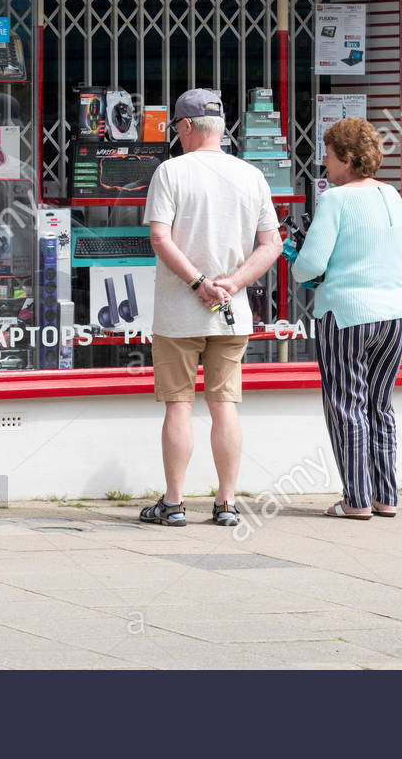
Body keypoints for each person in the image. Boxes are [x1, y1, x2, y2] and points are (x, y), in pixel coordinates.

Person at [139, 89, 283, 527]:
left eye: (176, 130)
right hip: (231, 311)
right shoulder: (251, 175)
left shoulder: (170, 172)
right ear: (220, 129)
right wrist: (232, 284)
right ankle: (226, 503)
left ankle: (175, 503)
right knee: (225, 405)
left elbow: (161, 238)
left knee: (178, 405)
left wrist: (199, 283)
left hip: (179, 313)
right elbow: (272, 244)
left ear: (185, 127)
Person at [290, 117, 402, 520]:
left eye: (328, 155)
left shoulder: (335, 200)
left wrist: (296, 261)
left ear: (347, 159)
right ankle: (385, 496)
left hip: (347, 314)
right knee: (380, 405)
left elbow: (309, 265)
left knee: (347, 405)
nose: (323, 163)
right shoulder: (392, 196)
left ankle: (356, 500)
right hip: (395, 313)